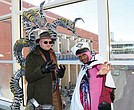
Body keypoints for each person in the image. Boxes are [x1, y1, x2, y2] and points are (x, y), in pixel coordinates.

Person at [25, 30, 66, 110]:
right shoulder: (32, 56)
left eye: (50, 42)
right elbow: (29, 77)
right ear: (39, 42)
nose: (48, 44)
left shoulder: (52, 54)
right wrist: (42, 70)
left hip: (54, 90)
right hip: (40, 93)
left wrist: (59, 74)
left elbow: (53, 71)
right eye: (45, 42)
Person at [70, 41, 116, 110]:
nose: (82, 58)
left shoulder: (97, 63)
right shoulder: (84, 68)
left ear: (88, 53)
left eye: (84, 55)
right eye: (79, 57)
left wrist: (103, 71)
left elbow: (101, 67)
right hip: (87, 102)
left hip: (98, 102)